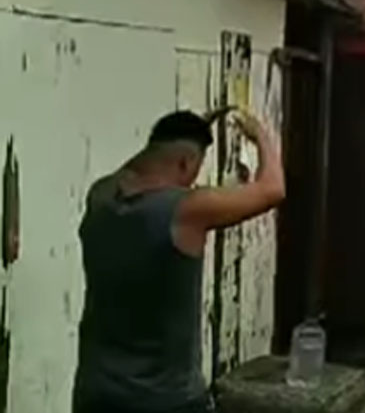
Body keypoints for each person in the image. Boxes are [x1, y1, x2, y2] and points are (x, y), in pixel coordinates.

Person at [72, 109, 285, 413]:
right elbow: (273, 189)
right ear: (185, 163)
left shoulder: (101, 195)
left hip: (97, 393)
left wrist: (185, 132)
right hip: (167, 401)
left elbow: (138, 168)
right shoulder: (186, 211)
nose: (191, 181)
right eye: (193, 170)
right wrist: (260, 134)